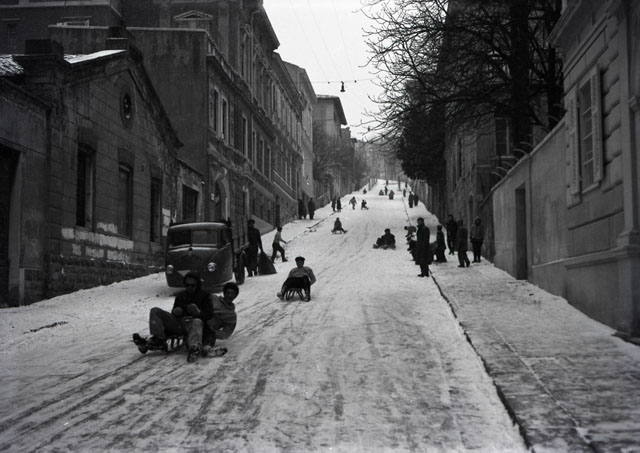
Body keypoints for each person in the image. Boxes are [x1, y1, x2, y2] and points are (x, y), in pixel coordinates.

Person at [133, 272, 213, 363]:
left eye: (192, 285)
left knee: (197, 321)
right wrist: (176, 312)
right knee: (155, 310)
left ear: (197, 285)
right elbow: (174, 312)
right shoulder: (181, 296)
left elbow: (210, 314)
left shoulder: (205, 296)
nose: (189, 288)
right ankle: (159, 339)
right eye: (187, 285)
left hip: (193, 325)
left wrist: (198, 313)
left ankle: (194, 347)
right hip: (179, 323)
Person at [205, 281, 239, 352]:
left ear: (235, 296)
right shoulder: (213, 299)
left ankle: (206, 349)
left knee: (208, 336)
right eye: (228, 293)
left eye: (232, 294)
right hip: (199, 321)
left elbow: (226, 333)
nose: (229, 295)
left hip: (209, 331)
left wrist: (214, 333)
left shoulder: (232, 315)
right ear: (224, 293)